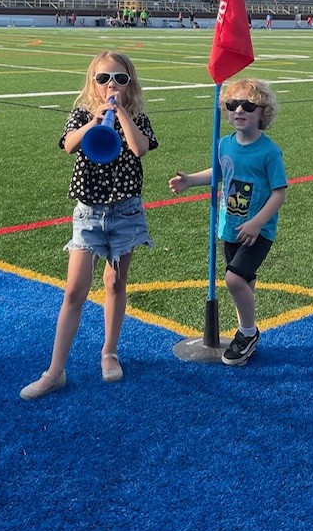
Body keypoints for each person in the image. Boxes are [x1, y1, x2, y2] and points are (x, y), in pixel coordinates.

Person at [20, 51, 158, 399]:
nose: (111, 84)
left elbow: (140, 150)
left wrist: (121, 112)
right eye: (103, 78)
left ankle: (109, 352)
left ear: (131, 83)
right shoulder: (82, 113)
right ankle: (55, 370)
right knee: (74, 291)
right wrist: (95, 121)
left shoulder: (138, 116)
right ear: (92, 82)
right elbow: (68, 145)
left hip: (125, 211)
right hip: (89, 212)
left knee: (115, 283)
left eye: (120, 79)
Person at [168, 79, 287, 367]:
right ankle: (245, 328)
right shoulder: (224, 144)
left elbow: (279, 193)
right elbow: (219, 171)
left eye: (248, 105)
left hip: (258, 232)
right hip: (230, 227)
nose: (239, 110)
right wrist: (190, 181)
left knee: (233, 279)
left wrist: (257, 223)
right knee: (244, 281)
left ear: (263, 112)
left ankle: (248, 333)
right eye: (233, 105)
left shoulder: (269, 152)